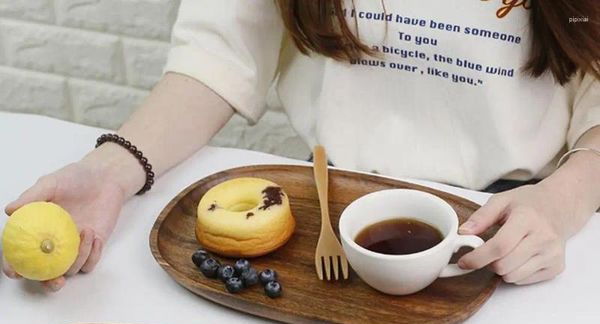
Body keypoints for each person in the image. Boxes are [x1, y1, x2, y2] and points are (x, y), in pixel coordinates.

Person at [3, 0, 600, 291]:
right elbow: (223, 53)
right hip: (327, 217)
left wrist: (559, 205)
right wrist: (111, 171)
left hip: (514, 233)